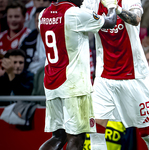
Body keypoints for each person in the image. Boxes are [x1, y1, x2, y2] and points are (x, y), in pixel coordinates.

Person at [82, 0, 149, 149]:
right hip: (104, 77)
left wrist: (116, 8)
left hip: (133, 76)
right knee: (96, 131)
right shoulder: (91, 2)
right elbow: (80, 21)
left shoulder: (129, 0)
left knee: (147, 133)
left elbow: (136, 19)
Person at [38, 0, 117, 149]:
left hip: (51, 82)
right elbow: (111, 22)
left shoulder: (43, 14)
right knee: (77, 137)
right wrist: (112, 6)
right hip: (73, 85)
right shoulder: (76, 14)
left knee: (58, 137)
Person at [20, 7, 46, 74]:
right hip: (30, 76)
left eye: (43, 20)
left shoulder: (59, 38)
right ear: (35, 21)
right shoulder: (28, 39)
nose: (40, 24)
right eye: (38, 21)